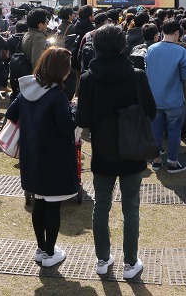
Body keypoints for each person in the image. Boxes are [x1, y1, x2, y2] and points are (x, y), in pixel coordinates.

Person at [76, 24, 156, 279]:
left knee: (101, 206)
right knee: (131, 207)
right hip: (132, 149)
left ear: (96, 46)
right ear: (123, 46)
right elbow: (151, 111)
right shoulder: (137, 75)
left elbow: (83, 119)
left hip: (103, 150)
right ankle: (130, 263)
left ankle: (102, 259)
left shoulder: (88, 78)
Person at [5, 47, 78, 268]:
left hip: (32, 155)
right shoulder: (57, 96)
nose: (69, 72)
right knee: (53, 204)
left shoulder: (28, 89)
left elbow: (10, 113)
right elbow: (67, 129)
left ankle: (41, 248)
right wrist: (73, 111)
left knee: (40, 202)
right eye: (67, 68)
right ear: (60, 70)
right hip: (54, 157)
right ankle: (49, 253)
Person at [145, 19, 186, 173]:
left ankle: (156, 160)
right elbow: (185, 75)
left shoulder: (151, 49)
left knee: (156, 130)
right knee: (174, 132)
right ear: (177, 33)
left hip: (154, 98)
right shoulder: (182, 51)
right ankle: (172, 161)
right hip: (174, 99)